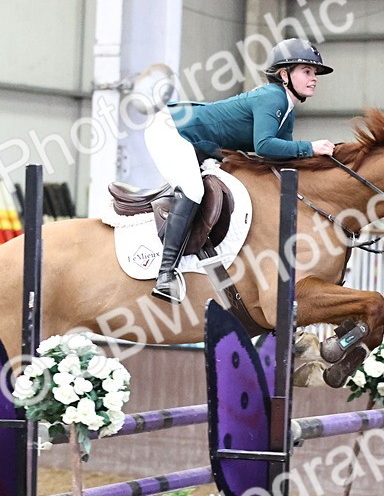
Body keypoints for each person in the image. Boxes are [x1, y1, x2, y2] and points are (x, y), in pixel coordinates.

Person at [143, 38, 335, 304]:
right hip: (171, 130)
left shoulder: (287, 109)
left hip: (200, 144)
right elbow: (265, 146)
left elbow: (283, 157)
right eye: (307, 71)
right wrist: (310, 147)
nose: (314, 78)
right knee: (193, 190)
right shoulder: (273, 98)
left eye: (315, 73)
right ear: (284, 75)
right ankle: (165, 274)